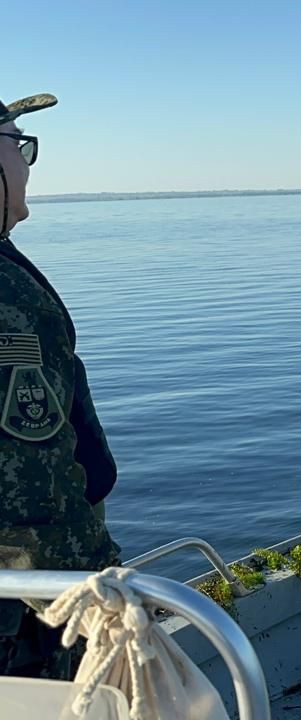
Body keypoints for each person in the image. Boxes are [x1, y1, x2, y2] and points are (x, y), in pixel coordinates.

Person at [0, 93, 120, 678]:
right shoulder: (7, 300)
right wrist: (99, 602)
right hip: (24, 627)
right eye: (17, 144)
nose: (26, 163)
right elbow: (30, 494)